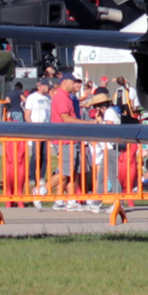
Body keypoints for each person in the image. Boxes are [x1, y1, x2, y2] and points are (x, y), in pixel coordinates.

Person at [49, 73, 95, 211]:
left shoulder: (69, 97)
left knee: (72, 171)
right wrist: (87, 123)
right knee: (66, 171)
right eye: (74, 82)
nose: (77, 84)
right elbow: (66, 118)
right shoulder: (62, 97)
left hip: (71, 139)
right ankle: (41, 191)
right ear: (65, 81)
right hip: (65, 139)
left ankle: (69, 200)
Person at [24, 79, 52, 206]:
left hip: (46, 129)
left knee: (45, 155)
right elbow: (27, 114)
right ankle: (31, 176)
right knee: (36, 155)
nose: (48, 88)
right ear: (40, 86)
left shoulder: (48, 99)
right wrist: (30, 126)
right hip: (36, 128)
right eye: (46, 85)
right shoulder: (32, 97)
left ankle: (41, 176)